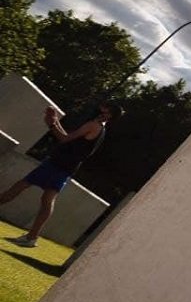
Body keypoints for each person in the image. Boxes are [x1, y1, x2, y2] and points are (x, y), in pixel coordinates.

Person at [0, 102, 122, 247]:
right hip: (66, 166)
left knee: (22, 186)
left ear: (108, 114)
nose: (101, 109)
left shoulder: (93, 125)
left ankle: (31, 238)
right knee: (46, 199)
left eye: (105, 109)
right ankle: (31, 238)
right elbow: (69, 138)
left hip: (58, 164)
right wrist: (55, 120)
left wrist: (52, 124)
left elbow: (65, 139)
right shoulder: (101, 129)